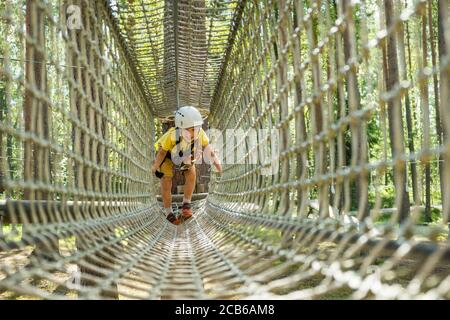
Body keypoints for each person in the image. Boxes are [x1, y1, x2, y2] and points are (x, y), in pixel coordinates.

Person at [151, 106, 222, 225]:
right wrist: (155, 167)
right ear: (181, 128)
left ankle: (186, 205)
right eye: (191, 129)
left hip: (184, 154)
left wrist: (218, 165)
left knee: (191, 173)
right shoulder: (172, 135)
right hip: (167, 156)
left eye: (197, 128)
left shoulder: (199, 134)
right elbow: (162, 152)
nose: (195, 132)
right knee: (166, 181)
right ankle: (168, 212)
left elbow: (209, 150)